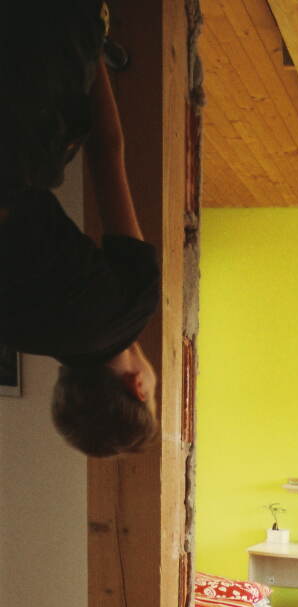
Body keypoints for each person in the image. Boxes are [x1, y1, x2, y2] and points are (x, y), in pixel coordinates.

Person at [0, 4, 159, 457]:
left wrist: (95, 52)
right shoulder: (18, 333)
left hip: (18, 140)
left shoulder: (133, 307)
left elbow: (107, 154)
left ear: (138, 387)